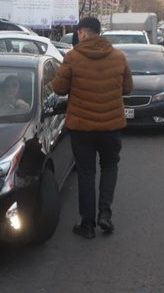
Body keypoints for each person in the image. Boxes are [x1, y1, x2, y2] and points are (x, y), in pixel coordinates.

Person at [51, 16, 132, 239]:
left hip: (82, 127)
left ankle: (87, 225)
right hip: (111, 126)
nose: (78, 36)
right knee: (109, 167)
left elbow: (58, 89)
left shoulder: (72, 57)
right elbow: (127, 88)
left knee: (86, 173)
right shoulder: (119, 57)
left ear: (83, 33)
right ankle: (105, 214)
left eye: (79, 33)